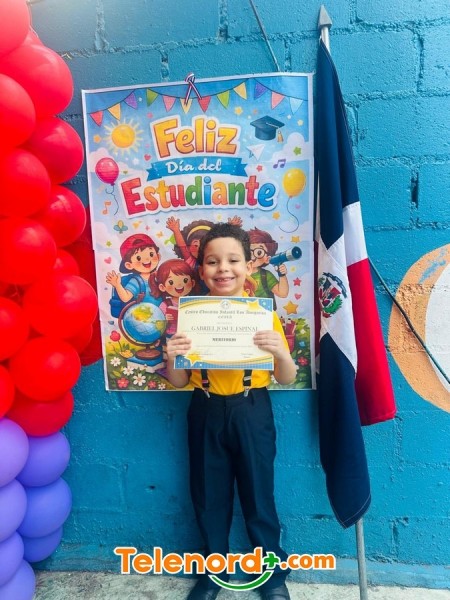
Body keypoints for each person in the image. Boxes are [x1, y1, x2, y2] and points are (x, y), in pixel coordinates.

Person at [166, 223, 297, 600]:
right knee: (208, 495)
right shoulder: (190, 317)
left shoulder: (263, 315)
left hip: (252, 408)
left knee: (259, 493)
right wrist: (172, 356)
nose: (223, 269)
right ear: (201, 269)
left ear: (249, 266)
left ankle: (272, 575)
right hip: (205, 407)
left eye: (233, 260)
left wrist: (281, 353)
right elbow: (179, 380)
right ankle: (213, 573)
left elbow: (286, 377)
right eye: (212, 262)